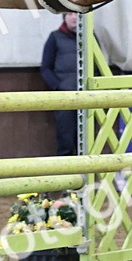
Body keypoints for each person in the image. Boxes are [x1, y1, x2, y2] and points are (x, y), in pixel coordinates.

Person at [40, 12, 80, 156]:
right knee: (66, 139)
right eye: (70, 14)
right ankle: (66, 176)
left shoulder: (90, 38)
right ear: (64, 17)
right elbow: (45, 68)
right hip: (64, 98)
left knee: (87, 139)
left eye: (77, 14)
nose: (74, 17)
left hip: (86, 97)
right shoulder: (55, 37)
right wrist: (59, 87)